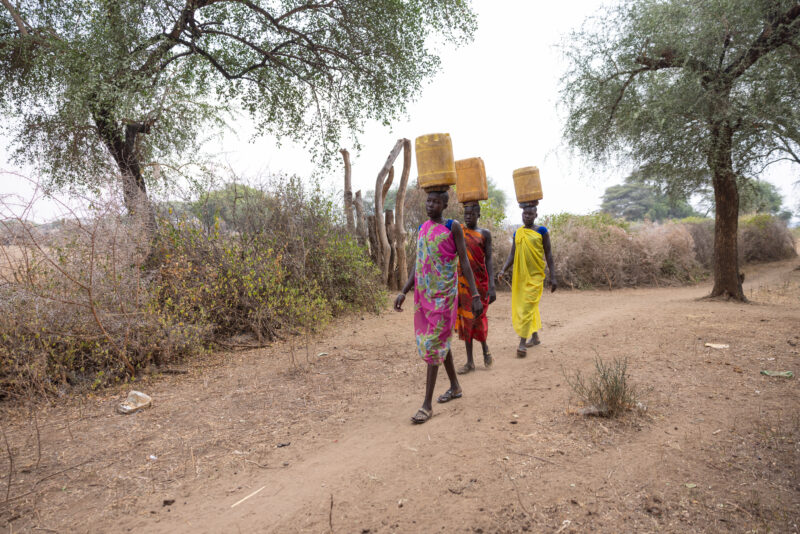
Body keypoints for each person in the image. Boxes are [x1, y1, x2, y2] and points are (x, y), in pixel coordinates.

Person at [394, 188, 483, 424]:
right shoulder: (423, 228)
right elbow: (418, 262)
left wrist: (475, 294)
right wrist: (404, 291)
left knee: (433, 342)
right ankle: (455, 386)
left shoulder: (452, 226)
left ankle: (427, 405)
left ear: (444, 205)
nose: (430, 205)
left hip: (444, 295)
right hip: (425, 297)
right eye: (428, 201)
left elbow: (463, 260)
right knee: (440, 341)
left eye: (435, 202)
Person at [497, 200, 557, 358]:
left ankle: (522, 343)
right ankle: (535, 337)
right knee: (530, 307)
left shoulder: (542, 231)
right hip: (521, 276)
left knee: (526, 307)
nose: (527, 216)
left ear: (536, 215)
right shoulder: (518, 233)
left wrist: (553, 276)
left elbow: (549, 254)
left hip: (536, 276)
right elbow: (512, 254)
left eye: (530, 214)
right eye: (525, 213)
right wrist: (503, 270)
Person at [455, 201, 496, 374]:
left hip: (481, 283)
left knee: (479, 317)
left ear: (478, 215)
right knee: (467, 320)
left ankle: (485, 347)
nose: (468, 216)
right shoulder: (459, 232)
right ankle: (470, 361)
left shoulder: (484, 234)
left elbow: (489, 260)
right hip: (464, 283)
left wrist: (492, 285)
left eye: (472, 214)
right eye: (466, 214)